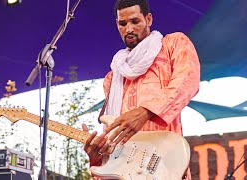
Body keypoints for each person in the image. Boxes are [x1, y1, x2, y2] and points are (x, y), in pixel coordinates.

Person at [82, 0, 200, 179]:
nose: (128, 28)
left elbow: (187, 81)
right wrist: (97, 157)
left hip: (165, 167)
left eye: (135, 21)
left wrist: (145, 112)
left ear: (148, 19)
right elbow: (114, 139)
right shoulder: (112, 78)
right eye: (123, 23)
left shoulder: (173, 45)